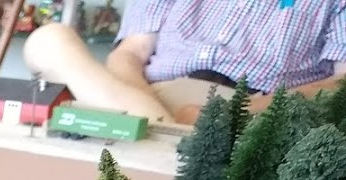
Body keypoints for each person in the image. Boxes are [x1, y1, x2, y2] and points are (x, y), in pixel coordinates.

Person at [22, 0, 346, 124]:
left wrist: (237, 113)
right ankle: (157, 129)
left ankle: (148, 133)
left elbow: (341, 81)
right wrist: (146, 106)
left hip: (250, 110)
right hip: (144, 94)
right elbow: (130, 54)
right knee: (51, 38)